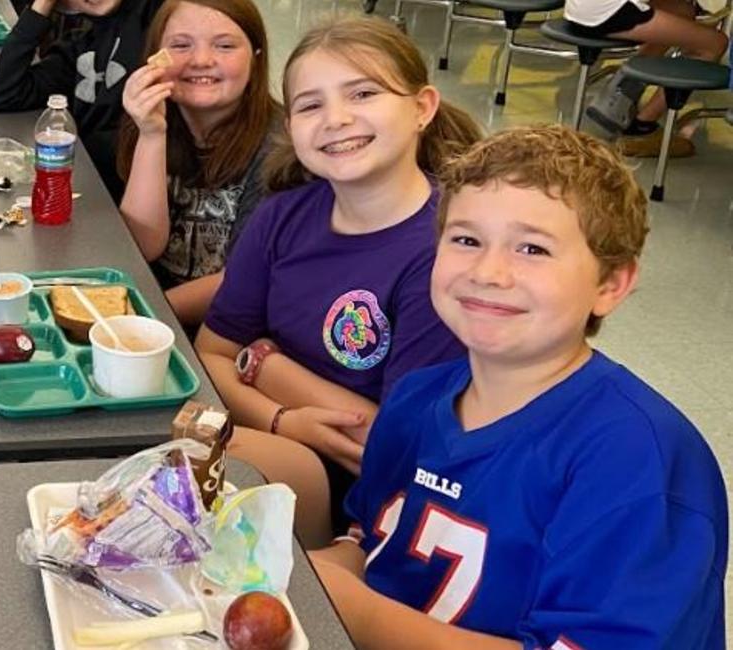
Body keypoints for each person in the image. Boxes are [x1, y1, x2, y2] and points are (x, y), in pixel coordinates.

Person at [310, 124, 726, 649]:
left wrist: (357, 613)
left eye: (532, 249)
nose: (490, 271)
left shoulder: (638, 461)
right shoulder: (416, 399)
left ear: (610, 284)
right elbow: (371, 539)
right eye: (466, 239)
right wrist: (296, 574)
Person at [194, 17, 479, 547]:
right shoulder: (282, 218)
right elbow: (209, 353)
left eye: (363, 93)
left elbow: (393, 442)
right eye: (310, 105)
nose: (336, 119)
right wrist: (282, 419)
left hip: (372, 492)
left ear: (422, 108)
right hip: (270, 428)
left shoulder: (449, 250)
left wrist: (263, 362)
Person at [115, 0, 276, 329]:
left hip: (230, 328)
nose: (201, 60)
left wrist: (137, 314)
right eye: (180, 45)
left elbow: (246, 278)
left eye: (225, 45)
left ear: (256, 60)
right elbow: (141, 246)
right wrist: (150, 135)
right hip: (154, 307)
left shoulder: (281, 150)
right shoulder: (152, 117)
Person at [0, 0, 163, 200]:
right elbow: (4, 93)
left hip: (145, 190)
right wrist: (41, 7)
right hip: (93, 193)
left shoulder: (158, 21)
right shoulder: (78, 47)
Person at [573, 0, 728, 156]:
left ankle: (621, 93)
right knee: (715, 43)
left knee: (682, 11)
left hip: (580, 9)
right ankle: (642, 128)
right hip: (604, 15)